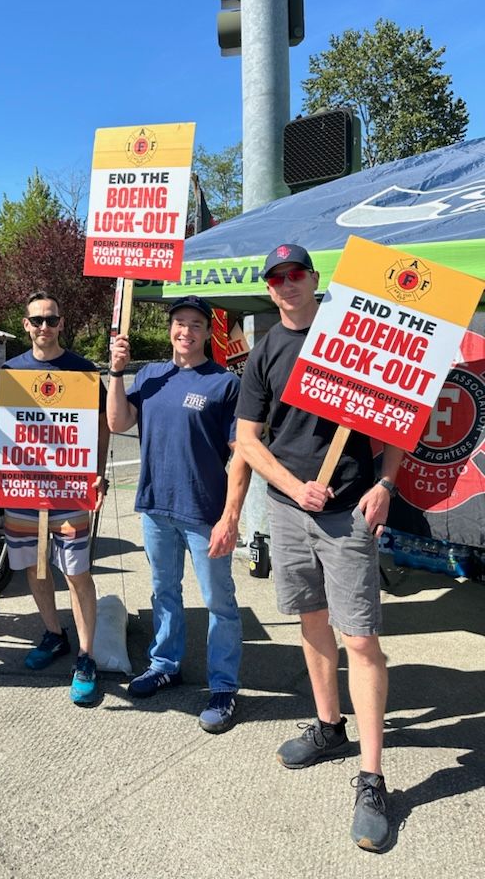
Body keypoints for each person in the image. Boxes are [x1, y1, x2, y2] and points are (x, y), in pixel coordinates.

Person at [235, 242, 404, 852]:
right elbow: (249, 442)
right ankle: (330, 727)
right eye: (276, 277)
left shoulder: (355, 334)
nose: (286, 284)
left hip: (350, 512)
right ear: (270, 286)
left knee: (359, 638)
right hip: (288, 512)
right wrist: (290, 488)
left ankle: (372, 776)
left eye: (296, 273)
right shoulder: (264, 353)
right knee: (311, 624)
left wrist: (386, 483)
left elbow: (397, 419)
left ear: (313, 278)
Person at [107, 295, 251, 734]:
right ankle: (164, 664)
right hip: (155, 508)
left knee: (219, 603)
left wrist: (231, 516)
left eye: (194, 323)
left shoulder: (224, 383)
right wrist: (115, 371)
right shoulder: (150, 376)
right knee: (163, 592)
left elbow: (241, 454)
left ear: (209, 332)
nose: (184, 330)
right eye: (178, 322)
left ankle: (224, 687)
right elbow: (117, 422)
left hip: (204, 513)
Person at [0, 291, 109, 706]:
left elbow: (102, 426)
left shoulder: (83, 371)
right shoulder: (13, 372)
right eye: (37, 320)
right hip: (24, 487)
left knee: (76, 572)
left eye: (51, 320)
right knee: (35, 568)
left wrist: (100, 471)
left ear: (62, 323)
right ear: (25, 325)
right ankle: (54, 634)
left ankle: (86, 658)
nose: (44, 327)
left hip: (69, 489)